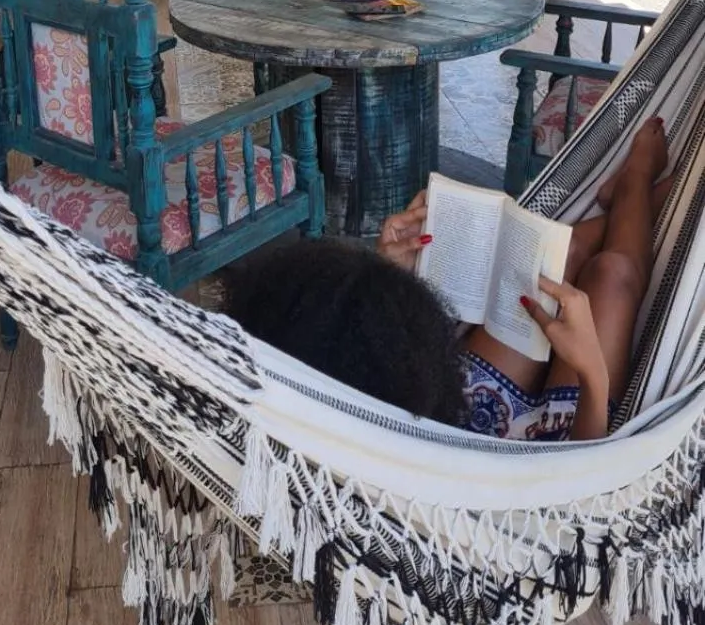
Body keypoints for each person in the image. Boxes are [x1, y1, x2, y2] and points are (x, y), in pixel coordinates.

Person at [221, 117, 670, 442]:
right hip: (538, 458)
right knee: (610, 276)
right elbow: (579, 485)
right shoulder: (380, 466)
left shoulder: (321, 392)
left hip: (450, 405)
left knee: (559, 259)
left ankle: (647, 200)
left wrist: (383, 279)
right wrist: (591, 371)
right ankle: (640, 184)